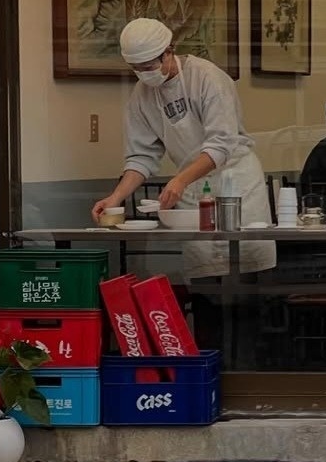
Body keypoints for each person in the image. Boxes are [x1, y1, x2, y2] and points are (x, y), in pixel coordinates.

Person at [91, 18, 275, 326]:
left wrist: (179, 179)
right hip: (193, 190)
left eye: (149, 65)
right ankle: (210, 362)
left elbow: (221, 144)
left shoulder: (207, 78)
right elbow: (141, 156)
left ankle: (250, 367)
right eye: (137, 68)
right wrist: (115, 197)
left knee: (248, 283)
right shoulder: (141, 96)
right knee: (206, 287)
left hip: (237, 182)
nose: (144, 73)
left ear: (169, 51)